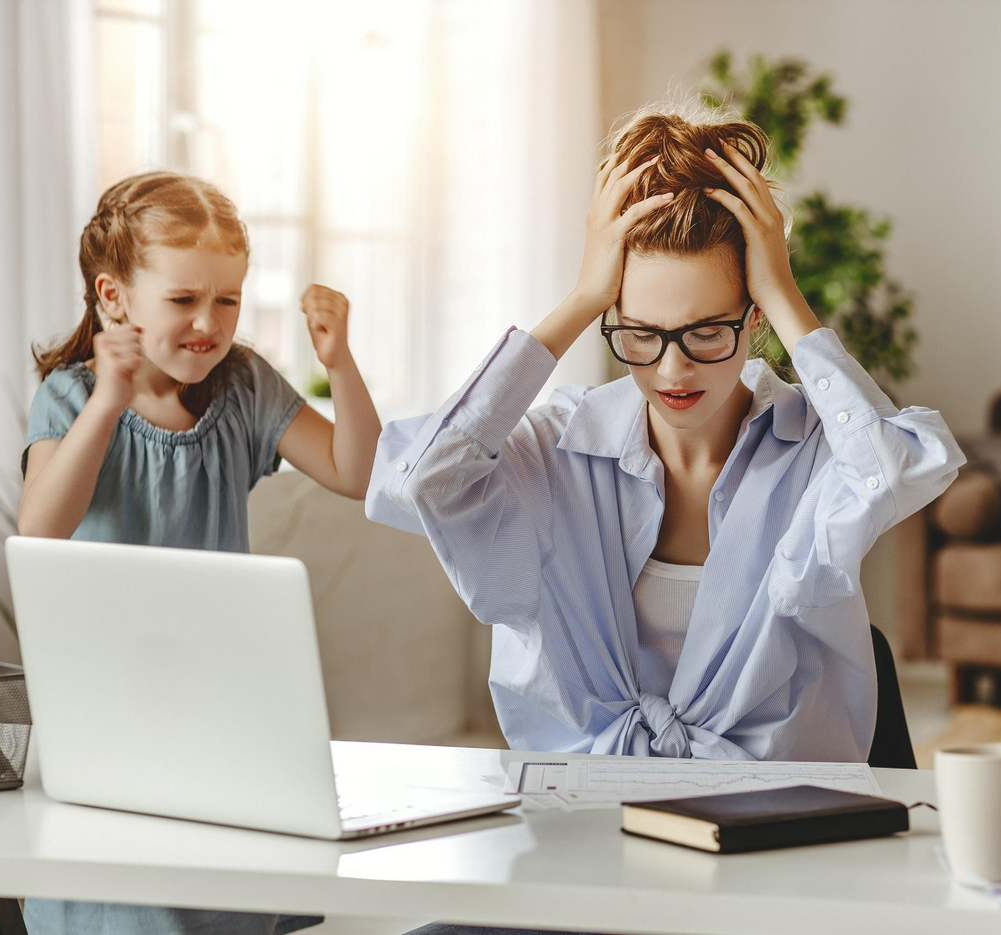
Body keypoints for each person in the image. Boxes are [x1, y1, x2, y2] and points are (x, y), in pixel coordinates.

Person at [366, 105, 962, 764]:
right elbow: (425, 479)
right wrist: (581, 299)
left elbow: (897, 470)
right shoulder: (560, 444)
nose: (673, 369)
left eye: (707, 331)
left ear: (754, 317)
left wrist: (785, 290)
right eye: (641, 334)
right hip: (587, 820)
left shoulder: (819, 452)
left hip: (782, 821)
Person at [18, 170, 382, 934]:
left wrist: (340, 362)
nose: (208, 324)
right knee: (127, 907)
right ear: (114, 298)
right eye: (183, 300)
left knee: (228, 905)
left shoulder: (244, 386)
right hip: (112, 710)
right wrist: (109, 402)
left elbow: (359, 472)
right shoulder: (70, 397)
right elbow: (41, 528)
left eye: (228, 300)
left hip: (225, 703)